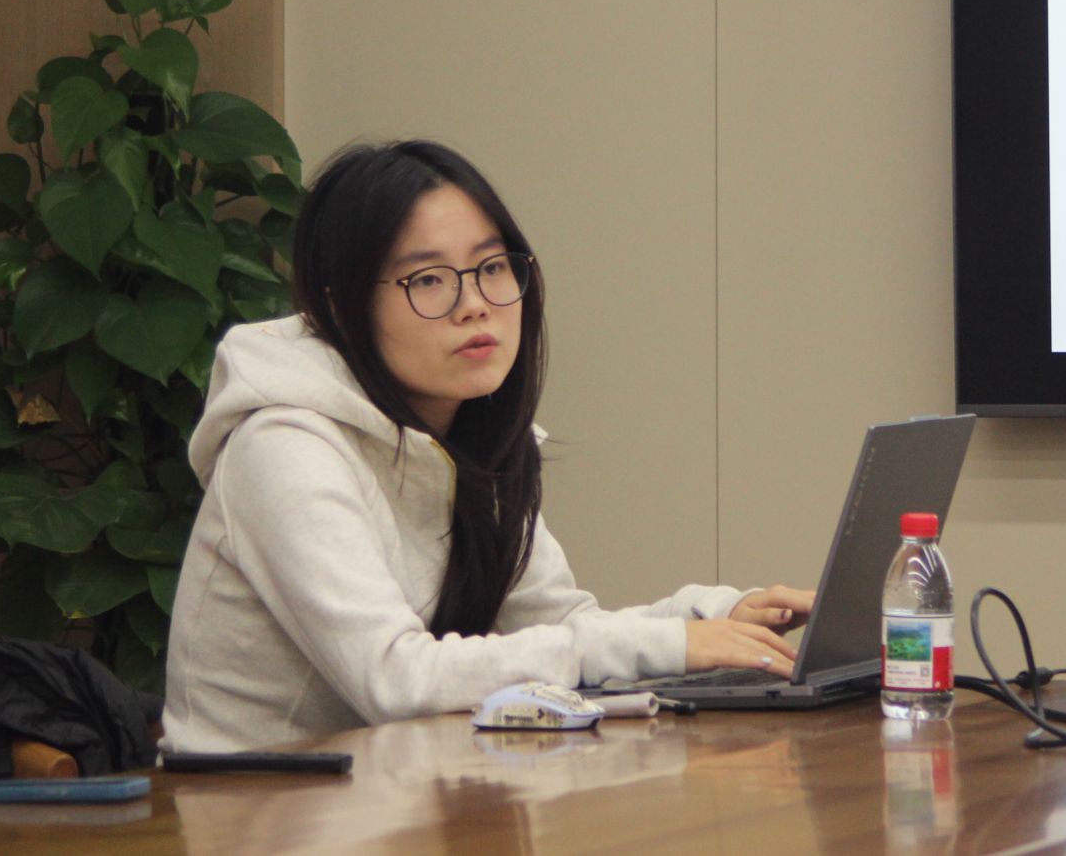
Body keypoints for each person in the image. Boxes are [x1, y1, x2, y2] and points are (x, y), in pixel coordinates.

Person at [160, 139, 813, 750]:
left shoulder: (472, 434)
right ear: (341, 306)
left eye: (492, 267)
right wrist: (674, 643)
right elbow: (393, 678)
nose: (474, 303)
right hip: (254, 801)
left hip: (397, 789)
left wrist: (714, 617)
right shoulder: (282, 447)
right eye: (428, 279)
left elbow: (556, 626)